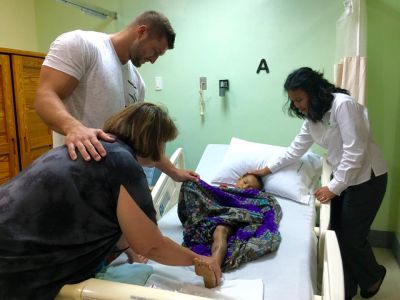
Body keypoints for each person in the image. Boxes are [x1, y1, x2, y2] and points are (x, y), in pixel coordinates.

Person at [0, 103, 221, 300]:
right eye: (163, 144)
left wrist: (130, 247)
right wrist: (198, 259)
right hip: (16, 267)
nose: (162, 152)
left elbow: (104, 211)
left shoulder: (84, 148)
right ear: (154, 141)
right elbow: (153, 245)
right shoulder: (123, 164)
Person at [250, 67, 388, 299]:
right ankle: (346, 288)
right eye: (293, 102)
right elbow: (294, 150)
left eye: (299, 99)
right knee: (335, 233)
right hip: (343, 176)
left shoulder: (343, 105)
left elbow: (356, 152)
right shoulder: (312, 118)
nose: (297, 105)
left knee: (352, 237)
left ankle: (373, 276)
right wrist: (265, 169)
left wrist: (333, 188)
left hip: (367, 178)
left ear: (314, 92)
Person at [35, 10, 198, 182]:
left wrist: (174, 172)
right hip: (76, 176)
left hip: (111, 181)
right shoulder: (81, 44)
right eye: (155, 51)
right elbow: (45, 96)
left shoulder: (137, 82)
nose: (154, 60)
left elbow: (141, 140)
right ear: (141, 32)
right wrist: (74, 128)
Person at [178, 174, 282, 288]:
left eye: (251, 188)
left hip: (233, 216)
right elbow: (207, 198)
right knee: (190, 183)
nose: (246, 187)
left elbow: (261, 207)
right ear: (239, 179)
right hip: (210, 215)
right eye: (245, 182)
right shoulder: (221, 190)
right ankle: (212, 270)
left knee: (220, 231)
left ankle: (213, 271)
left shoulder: (252, 197)